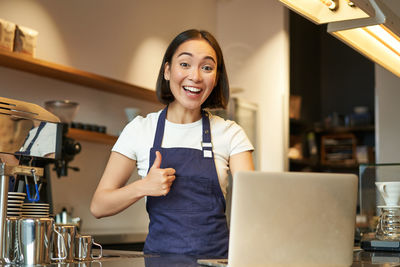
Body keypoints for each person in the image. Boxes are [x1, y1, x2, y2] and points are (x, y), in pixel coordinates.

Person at [90, 29, 255, 257]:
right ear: (167, 71)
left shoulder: (230, 133)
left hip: (216, 263)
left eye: (207, 67)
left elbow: (254, 204)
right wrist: (143, 186)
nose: (195, 76)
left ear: (215, 78)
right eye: (185, 64)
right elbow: (99, 205)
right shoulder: (140, 129)